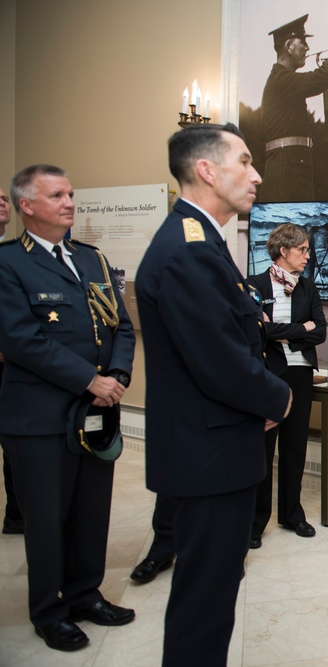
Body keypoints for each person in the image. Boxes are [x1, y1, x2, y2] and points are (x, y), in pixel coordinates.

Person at [136, 123, 291, 666]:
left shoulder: (202, 241)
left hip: (215, 449)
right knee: (204, 602)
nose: (257, 175)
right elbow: (222, 361)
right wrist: (281, 401)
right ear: (206, 169)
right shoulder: (187, 250)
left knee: (212, 593)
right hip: (209, 456)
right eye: (245, 161)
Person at [0, 165, 135, 651]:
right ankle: (49, 611)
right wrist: (89, 380)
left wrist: (116, 378)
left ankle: (84, 594)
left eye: (72, 193)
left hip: (95, 413)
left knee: (90, 511)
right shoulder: (8, 263)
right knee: (46, 519)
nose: (70, 202)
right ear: (27, 206)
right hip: (38, 418)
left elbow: (120, 325)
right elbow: (21, 340)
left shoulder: (92, 259)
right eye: (57, 195)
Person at [247, 223, 326, 548]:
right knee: (263, 451)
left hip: (301, 374)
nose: (308, 256)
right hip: (268, 375)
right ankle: (255, 522)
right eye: (303, 250)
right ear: (284, 251)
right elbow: (255, 331)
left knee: (295, 448)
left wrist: (279, 330)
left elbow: (319, 331)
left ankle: (292, 513)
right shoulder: (254, 285)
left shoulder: (308, 287)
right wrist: (298, 328)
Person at [258, 14, 328, 202]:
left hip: (292, 164)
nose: (307, 48)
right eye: (302, 42)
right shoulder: (281, 79)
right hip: (286, 167)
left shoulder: (284, 80)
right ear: (289, 46)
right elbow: (319, 80)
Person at [0, 185, 25, 536]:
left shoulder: (17, 256)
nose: (1, 204)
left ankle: (17, 514)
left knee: (17, 445)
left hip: (15, 366)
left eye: (3, 198)